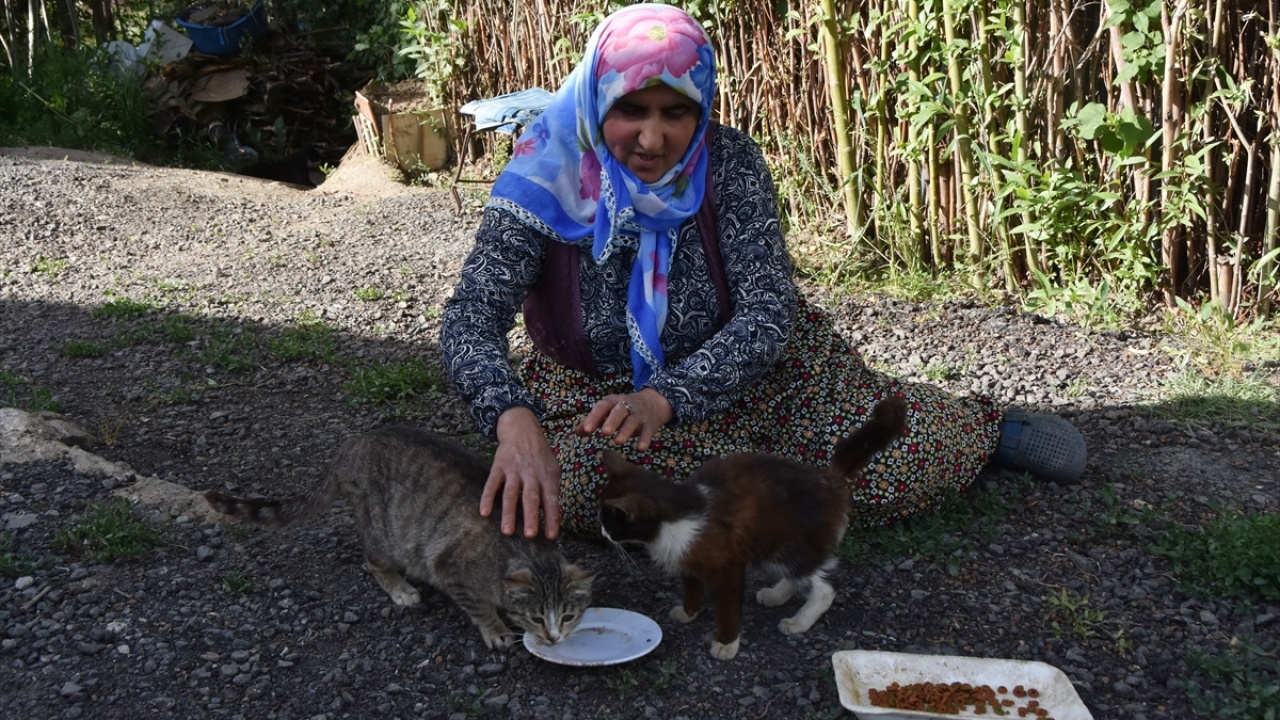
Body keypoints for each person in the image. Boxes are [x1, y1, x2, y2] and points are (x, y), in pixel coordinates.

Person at [439, 4, 1086, 541]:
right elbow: (471, 318)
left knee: (884, 464)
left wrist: (666, 398)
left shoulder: (731, 165)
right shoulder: (543, 176)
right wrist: (513, 419)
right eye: (632, 109)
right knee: (578, 491)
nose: (654, 138)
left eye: (677, 112)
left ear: (703, 109)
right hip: (598, 400)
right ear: (595, 98)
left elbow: (767, 313)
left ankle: (984, 427)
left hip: (758, 382)